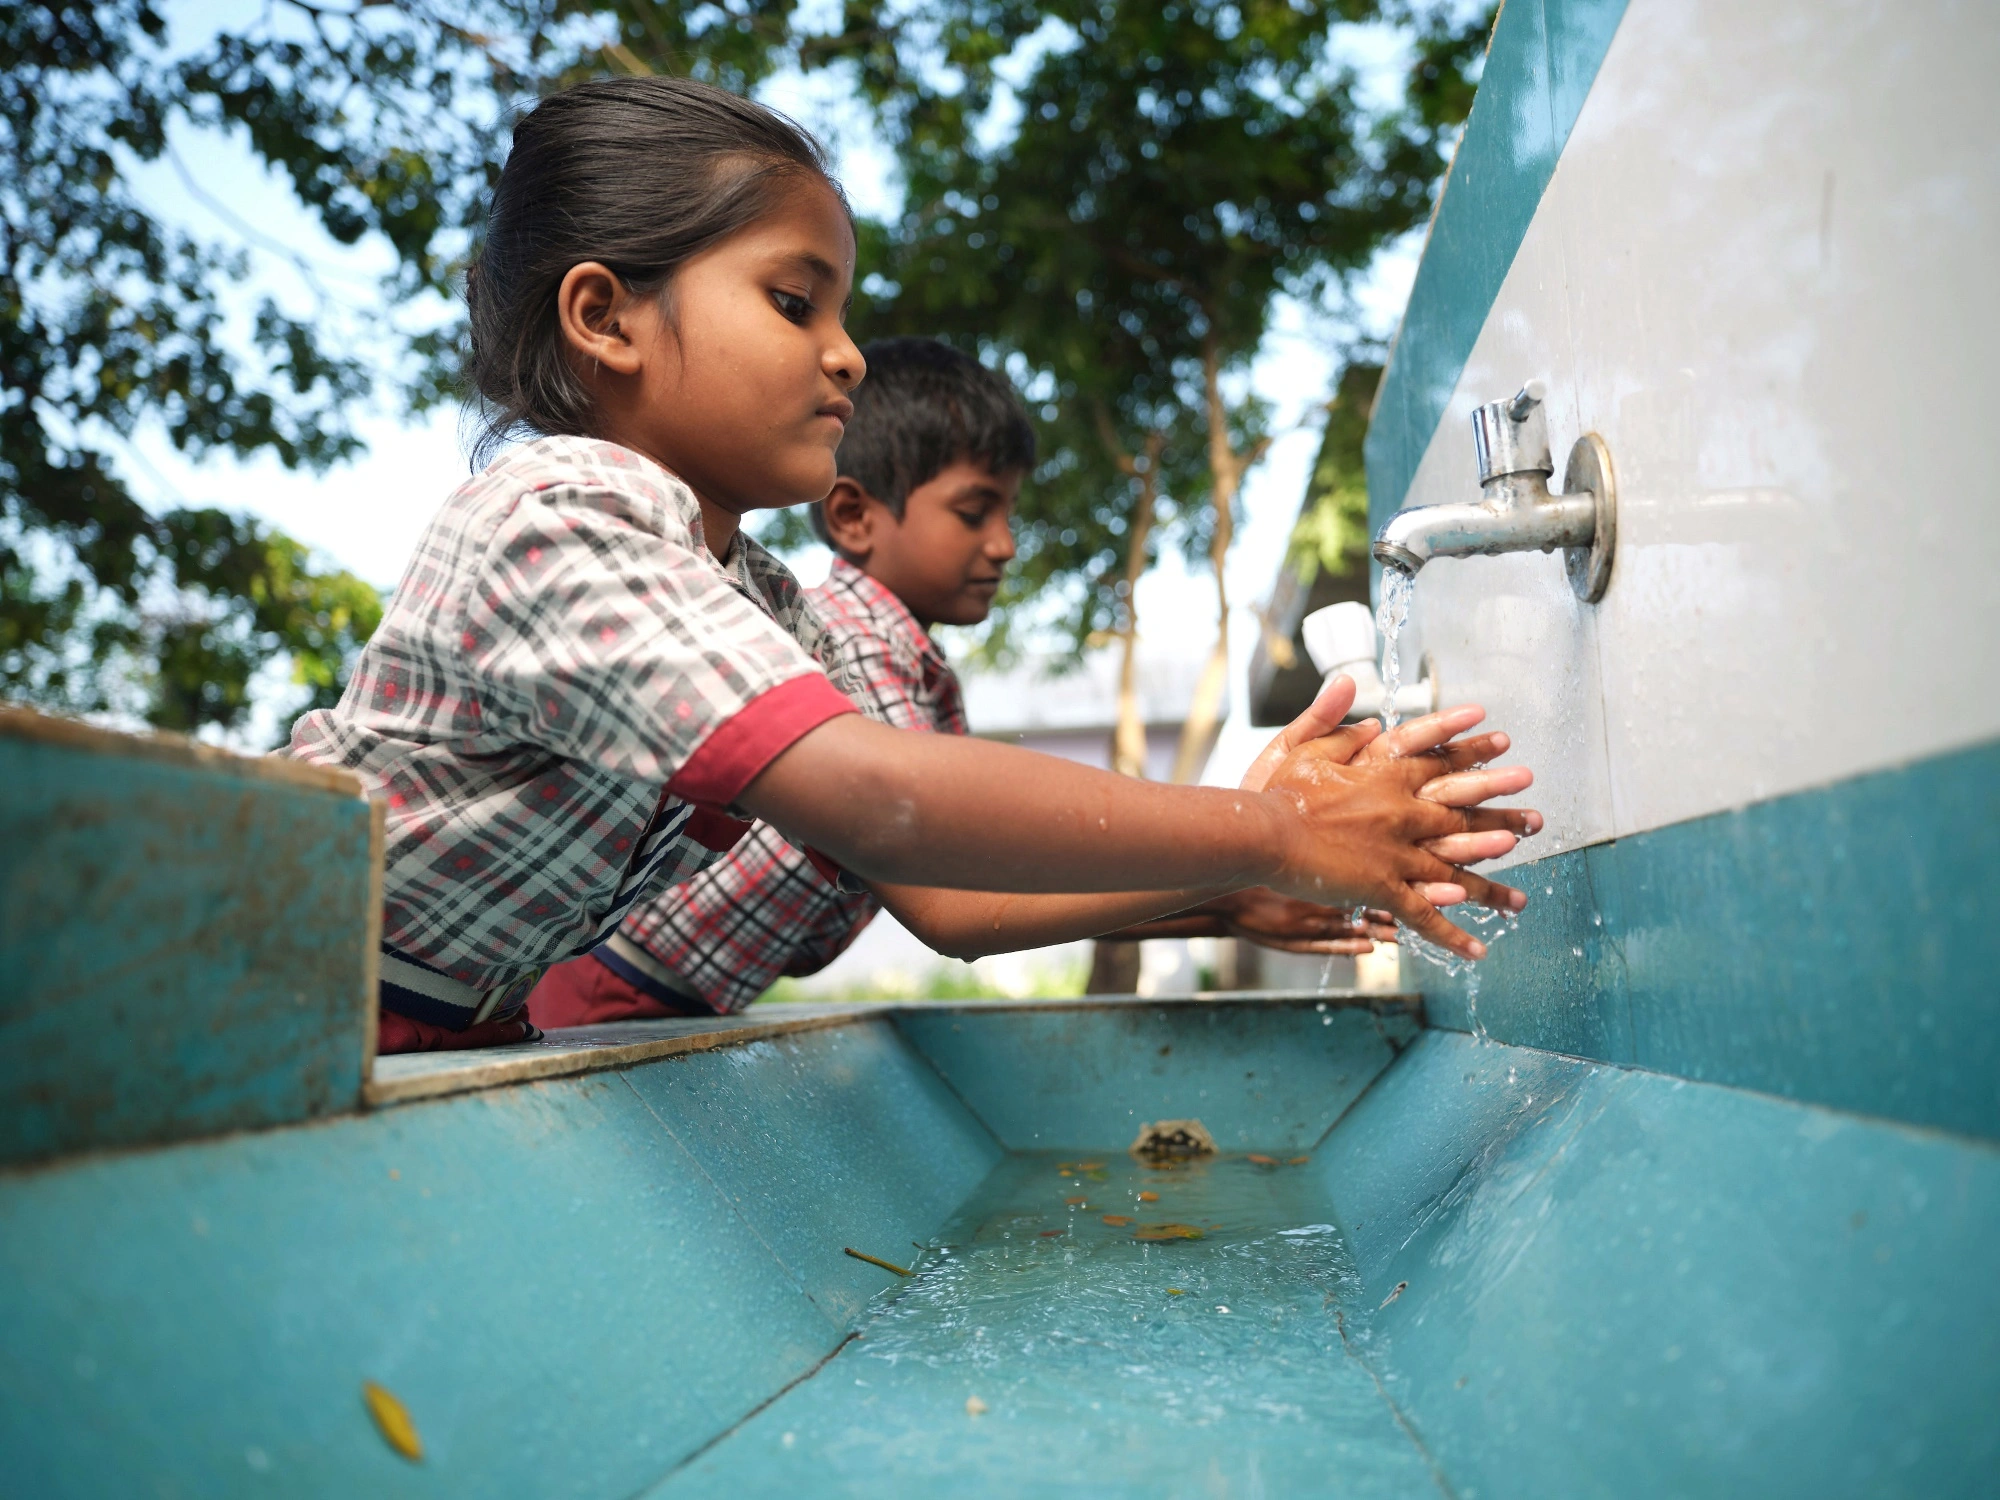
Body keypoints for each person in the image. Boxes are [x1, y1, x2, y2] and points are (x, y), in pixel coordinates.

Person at [286, 75, 1539, 1054]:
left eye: (843, 314)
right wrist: (1265, 832)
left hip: (445, 1022)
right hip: (272, 988)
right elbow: (885, 799)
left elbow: (943, 881)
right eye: (795, 302)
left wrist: (1255, 823)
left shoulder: (756, 596)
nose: (845, 356)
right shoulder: (553, 512)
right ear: (605, 317)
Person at [531, 337, 1408, 1025]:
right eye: (973, 511)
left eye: (1010, 512)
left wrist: (1225, 905)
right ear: (854, 515)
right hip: (604, 999)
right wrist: (1257, 850)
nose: (1006, 545)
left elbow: (1004, 876)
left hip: (665, 993)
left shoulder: (902, 658)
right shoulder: (851, 640)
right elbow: (961, 904)